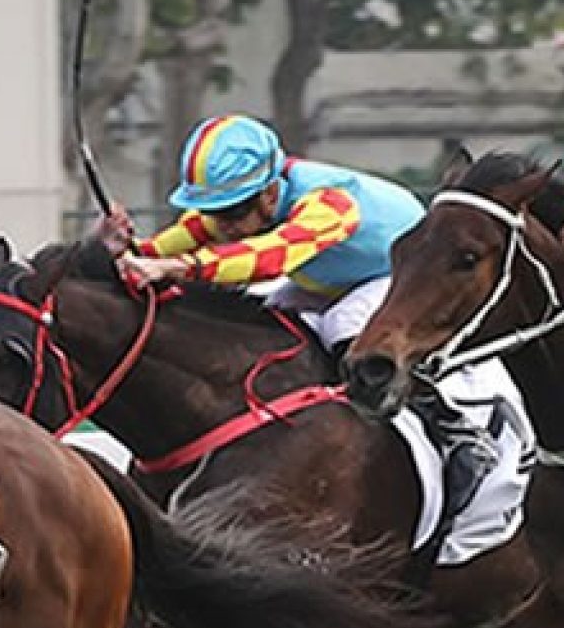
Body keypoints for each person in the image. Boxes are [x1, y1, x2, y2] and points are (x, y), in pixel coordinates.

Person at [105, 113, 498, 512]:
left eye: (233, 213)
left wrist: (179, 268)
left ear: (270, 194)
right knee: (263, 317)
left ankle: (453, 430)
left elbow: (271, 257)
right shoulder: (240, 206)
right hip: (328, 279)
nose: (225, 227)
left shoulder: (329, 202)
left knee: (342, 324)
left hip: (396, 276)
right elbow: (181, 238)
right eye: (215, 212)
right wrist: (129, 247)